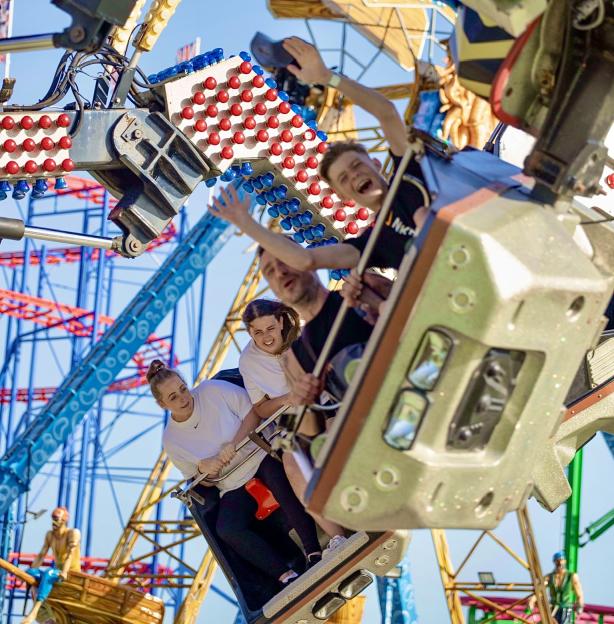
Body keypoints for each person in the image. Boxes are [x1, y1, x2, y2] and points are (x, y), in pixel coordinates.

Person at [211, 37, 429, 273]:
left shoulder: (410, 177)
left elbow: (386, 113)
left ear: (376, 163)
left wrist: (328, 78)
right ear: (342, 194)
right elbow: (306, 260)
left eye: (356, 165)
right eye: (344, 179)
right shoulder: (375, 243)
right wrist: (246, 223)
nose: (354, 176)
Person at [146, 359, 322, 585]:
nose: (183, 398)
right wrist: (204, 468)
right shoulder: (171, 440)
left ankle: (313, 551)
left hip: (259, 454)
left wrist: (235, 443)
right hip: (232, 482)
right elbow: (200, 482)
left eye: (183, 389)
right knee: (227, 528)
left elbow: (253, 413)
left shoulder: (211, 390)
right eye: (173, 398)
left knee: (280, 482)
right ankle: (285, 576)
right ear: (162, 404)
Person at [239, 297, 347, 545]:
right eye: (257, 333)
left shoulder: (301, 331)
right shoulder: (247, 361)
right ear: (249, 333)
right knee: (291, 464)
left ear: (279, 321)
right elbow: (261, 408)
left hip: (324, 401)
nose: (266, 338)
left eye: (270, 329)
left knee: (328, 440)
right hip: (289, 417)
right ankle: (337, 537)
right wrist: (286, 398)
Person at [255, 246, 374, 409]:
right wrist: (301, 401)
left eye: (285, 260)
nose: (279, 272)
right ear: (273, 289)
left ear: (306, 259)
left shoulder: (363, 288)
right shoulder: (294, 358)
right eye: (270, 272)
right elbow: (312, 430)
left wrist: (377, 305)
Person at [22, 507, 81, 624]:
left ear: (64, 520)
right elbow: (41, 555)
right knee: (31, 574)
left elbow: (70, 554)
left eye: (56, 518)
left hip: (71, 574)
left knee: (49, 573)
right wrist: (31, 571)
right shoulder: (50, 535)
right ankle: (46, 617)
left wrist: (64, 572)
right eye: (52, 518)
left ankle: (34, 611)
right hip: (57, 573)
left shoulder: (72, 533)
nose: (53, 521)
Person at [545, 551, 585, 624]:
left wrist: (580, 606)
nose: (560, 563)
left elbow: (579, 594)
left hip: (566, 609)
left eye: (561, 560)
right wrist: (532, 600)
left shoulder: (572, 576)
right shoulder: (549, 577)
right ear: (554, 562)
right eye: (557, 561)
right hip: (553, 609)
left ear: (565, 561)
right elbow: (540, 589)